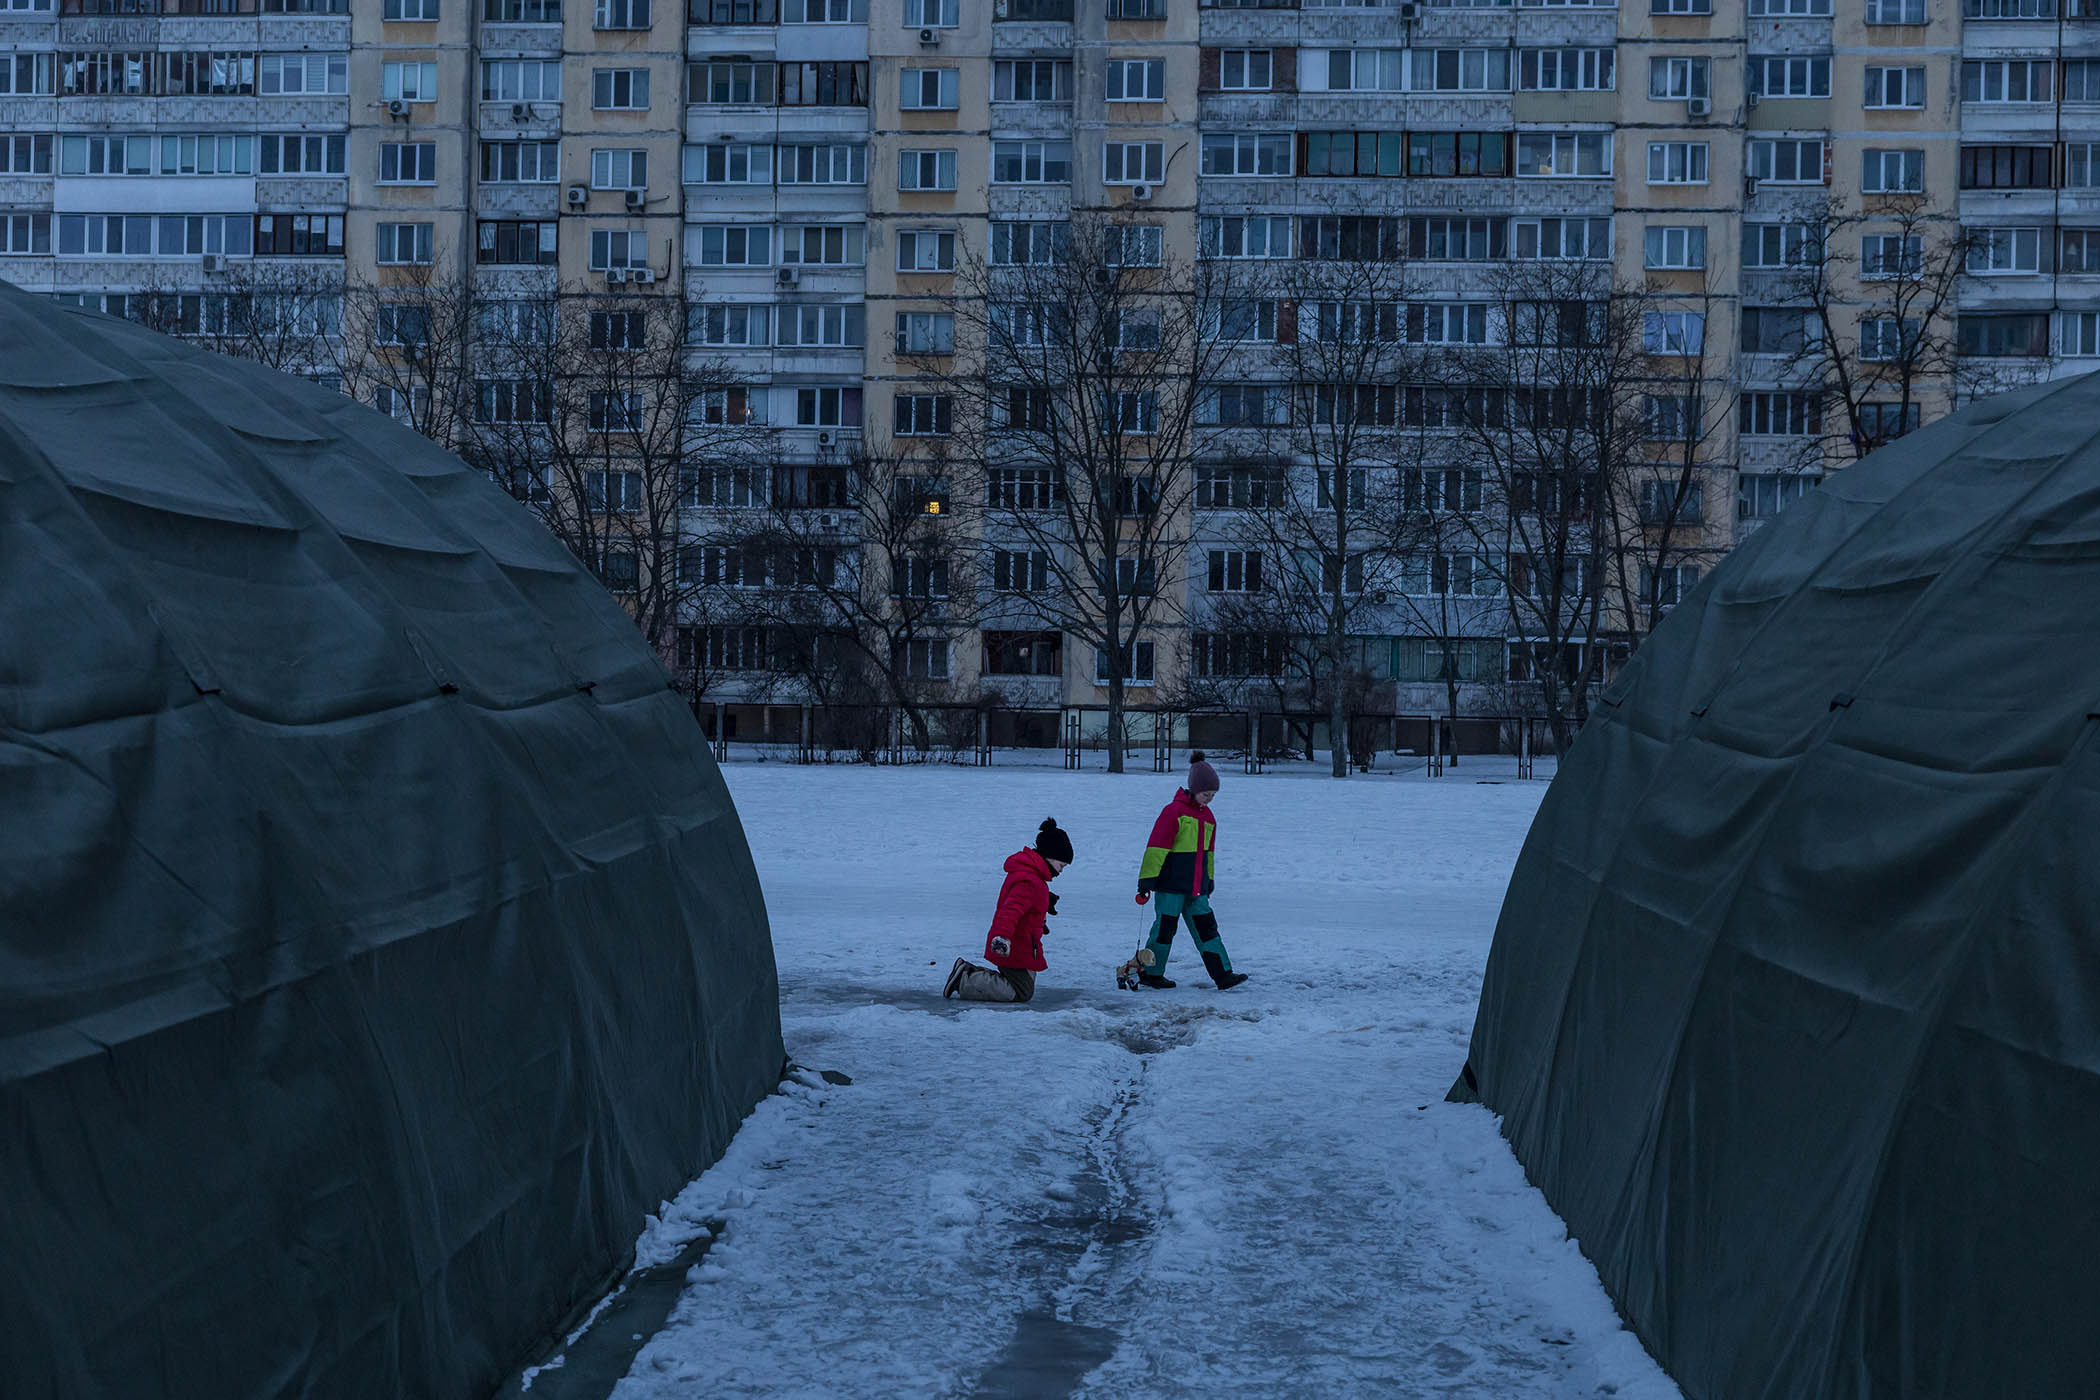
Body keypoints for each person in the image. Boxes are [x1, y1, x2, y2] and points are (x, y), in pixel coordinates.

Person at [1134, 752, 1248, 990]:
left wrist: (1210, 879)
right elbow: (1156, 847)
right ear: (1194, 789)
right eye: (1207, 794)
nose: (1210, 799)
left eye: (1213, 795)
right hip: (1170, 887)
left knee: (1207, 929)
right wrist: (1146, 879)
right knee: (1164, 930)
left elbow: (1210, 854)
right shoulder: (1173, 812)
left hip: (1197, 888)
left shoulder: (1209, 818)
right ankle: (1151, 974)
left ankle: (1223, 975)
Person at [944, 818, 1072, 1003]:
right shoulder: (1029, 880)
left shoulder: (1033, 877)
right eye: (1062, 865)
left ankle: (966, 972)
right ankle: (965, 979)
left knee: (1023, 986)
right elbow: (1010, 911)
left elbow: (1027, 900)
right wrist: (1001, 938)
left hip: (1025, 943)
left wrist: (1044, 901)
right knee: (1020, 991)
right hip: (1013, 944)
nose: (1061, 871)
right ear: (1050, 857)